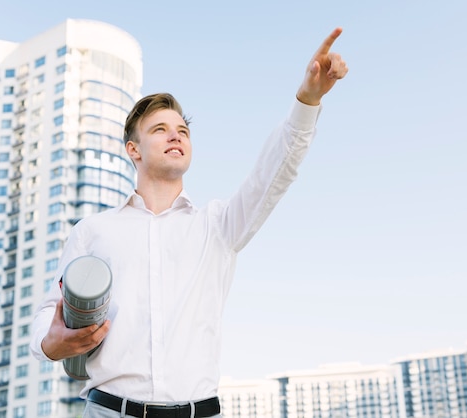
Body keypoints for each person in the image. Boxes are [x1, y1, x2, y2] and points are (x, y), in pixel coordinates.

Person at [31, 27, 348, 418]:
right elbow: (50, 311)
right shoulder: (93, 231)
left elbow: (274, 175)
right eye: (160, 130)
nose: (175, 136)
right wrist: (49, 344)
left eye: (183, 130)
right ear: (134, 150)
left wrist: (308, 100)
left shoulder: (218, 225)